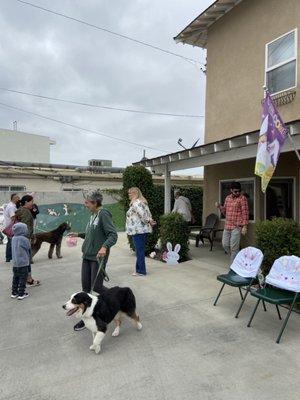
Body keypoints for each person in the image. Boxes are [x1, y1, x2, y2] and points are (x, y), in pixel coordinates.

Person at [68, 189, 118, 331]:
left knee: (96, 287)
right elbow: (93, 234)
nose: (85, 205)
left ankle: (115, 301)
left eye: (87, 203)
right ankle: (86, 318)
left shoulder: (103, 214)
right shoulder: (93, 215)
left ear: (95, 203)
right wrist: (79, 234)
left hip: (98, 257)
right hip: (87, 256)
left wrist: (104, 247)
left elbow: (112, 235)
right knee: (85, 289)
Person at [216, 181, 249, 263]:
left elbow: (245, 212)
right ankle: (237, 259)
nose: (237, 193)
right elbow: (225, 212)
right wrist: (219, 206)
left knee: (234, 248)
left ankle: (233, 268)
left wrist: (245, 226)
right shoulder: (227, 198)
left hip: (237, 227)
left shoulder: (242, 198)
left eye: (239, 191)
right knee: (225, 245)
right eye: (235, 191)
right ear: (231, 190)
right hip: (227, 225)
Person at [126, 187, 156, 276]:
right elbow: (148, 214)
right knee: (140, 250)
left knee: (139, 251)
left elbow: (142, 215)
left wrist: (148, 220)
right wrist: (150, 220)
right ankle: (139, 270)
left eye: (130, 193)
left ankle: (141, 271)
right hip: (141, 230)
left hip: (138, 230)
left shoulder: (136, 203)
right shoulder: (142, 202)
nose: (129, 195)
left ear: (134, 193)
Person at [15, 195, 40, 286]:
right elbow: (25, 227)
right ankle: (27, 280)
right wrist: (30, 238)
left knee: (22, 261)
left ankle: (24, 279)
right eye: (31, 202)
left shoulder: (21, 210)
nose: (33, 204)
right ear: (26, 202)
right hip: (24, 239)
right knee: (26, 261)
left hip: (21, 239)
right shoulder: (25, 212)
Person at [11, 222, 31, 300]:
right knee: (23, 278)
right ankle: (21, 294)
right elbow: (28, 247)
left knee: (15, 277)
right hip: (23, 263)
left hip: (15, 263)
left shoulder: (13, 238)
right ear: (23, 230)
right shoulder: (24, 239)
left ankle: (14, 292)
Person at [3, 193, 20, 262]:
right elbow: (13, 217)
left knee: (10, 242)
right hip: (11, 227)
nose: (19, 199)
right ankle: (9, 257)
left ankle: (9, 257)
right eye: (17, 198)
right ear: (14, 198)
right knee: (11, 242)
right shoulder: (11, 207)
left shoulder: (12, 206)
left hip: (10, 226)